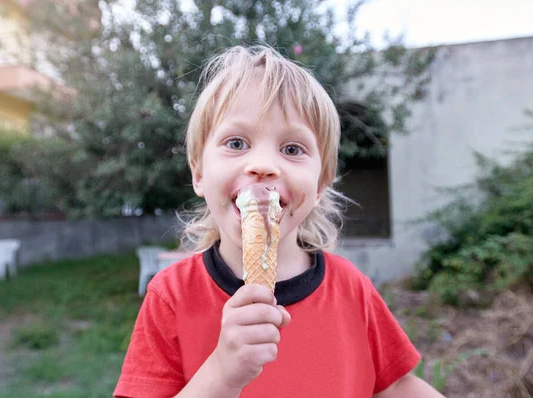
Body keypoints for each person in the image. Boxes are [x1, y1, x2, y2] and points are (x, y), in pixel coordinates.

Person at [114, 45, 444, 398]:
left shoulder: (351, 289)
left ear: (319, 185)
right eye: (237, 142)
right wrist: (221, 374)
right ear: (198, 173)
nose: (263, 164)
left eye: (291, 149)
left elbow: (396, 385)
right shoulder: (172, 296)